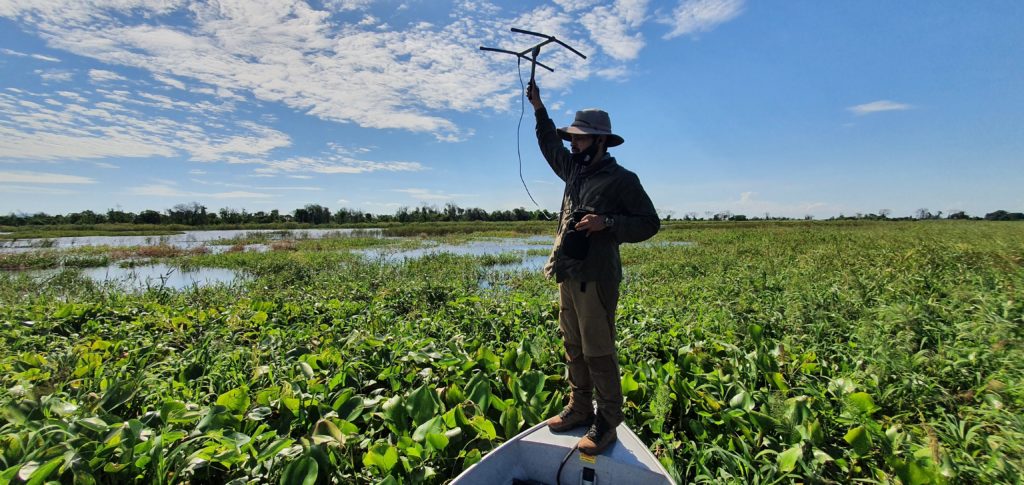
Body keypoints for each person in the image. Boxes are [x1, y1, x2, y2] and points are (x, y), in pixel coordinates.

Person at [527, 80, 660, 455]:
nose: (573, 144)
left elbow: (650, 223)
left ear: (601, 141)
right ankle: (580, 406)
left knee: (598, 349)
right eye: (573, 138)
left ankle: (607, 421)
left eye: (581, 139)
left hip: (597, 277)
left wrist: (609, 223)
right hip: (567, 273)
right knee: (573, 345)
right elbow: (549, 145)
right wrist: (539, 108)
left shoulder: (622, 180)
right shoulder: (574, 171)